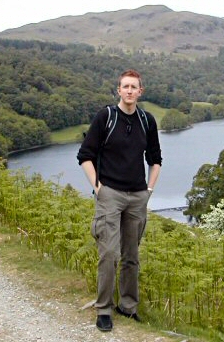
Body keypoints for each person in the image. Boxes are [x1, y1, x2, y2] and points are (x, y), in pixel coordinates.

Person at [77, 69, 162, 332]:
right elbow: (85, 155)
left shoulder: (147, 121)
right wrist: (98, 187)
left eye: (133, 87)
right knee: (109, 254)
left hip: (137, 196)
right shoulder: (106, 117)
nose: (128, 91)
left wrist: (148, 190)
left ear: (140, 92)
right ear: (119, 90)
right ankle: (104, 309)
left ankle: (128, 307)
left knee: (131, 257)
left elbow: (156, 159)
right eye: (124, 86)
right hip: (110, 194)